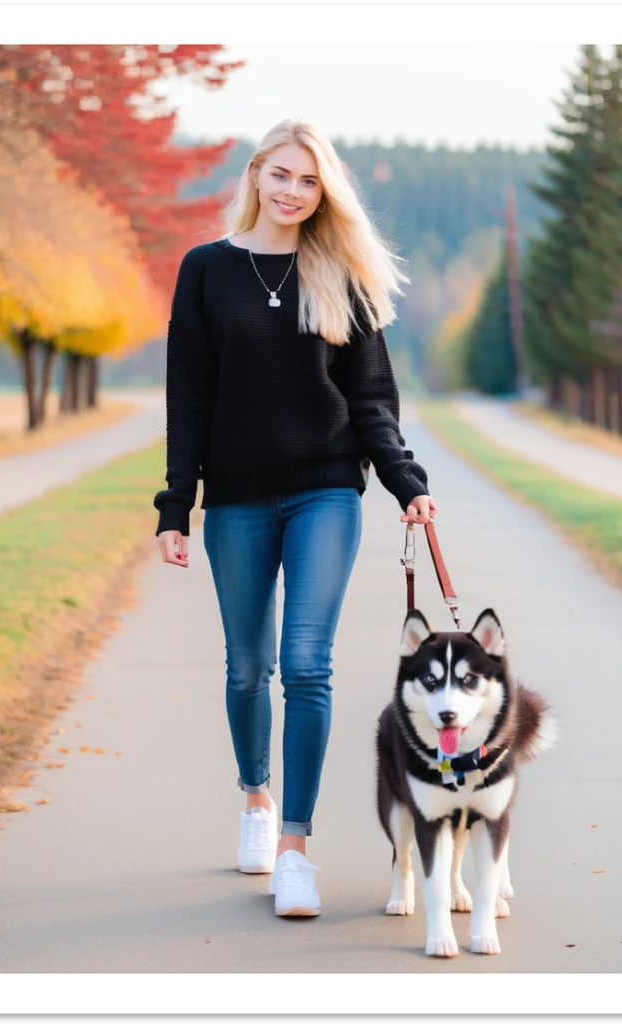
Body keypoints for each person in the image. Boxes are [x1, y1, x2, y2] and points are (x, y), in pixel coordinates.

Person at [153, 118, 436, 918]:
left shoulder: (339, 274)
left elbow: (373, 403)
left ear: (324, 193)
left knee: (308, 665)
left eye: (309, 181)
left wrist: (404, 481)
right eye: (280, 174)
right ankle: (256, 799)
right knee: (250, 668)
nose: (292, 191)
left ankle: (295, 851)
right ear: (255, 175)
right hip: (237, 498)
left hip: (324, 492)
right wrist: (176, 505)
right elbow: (189, 398)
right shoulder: (206, 270)